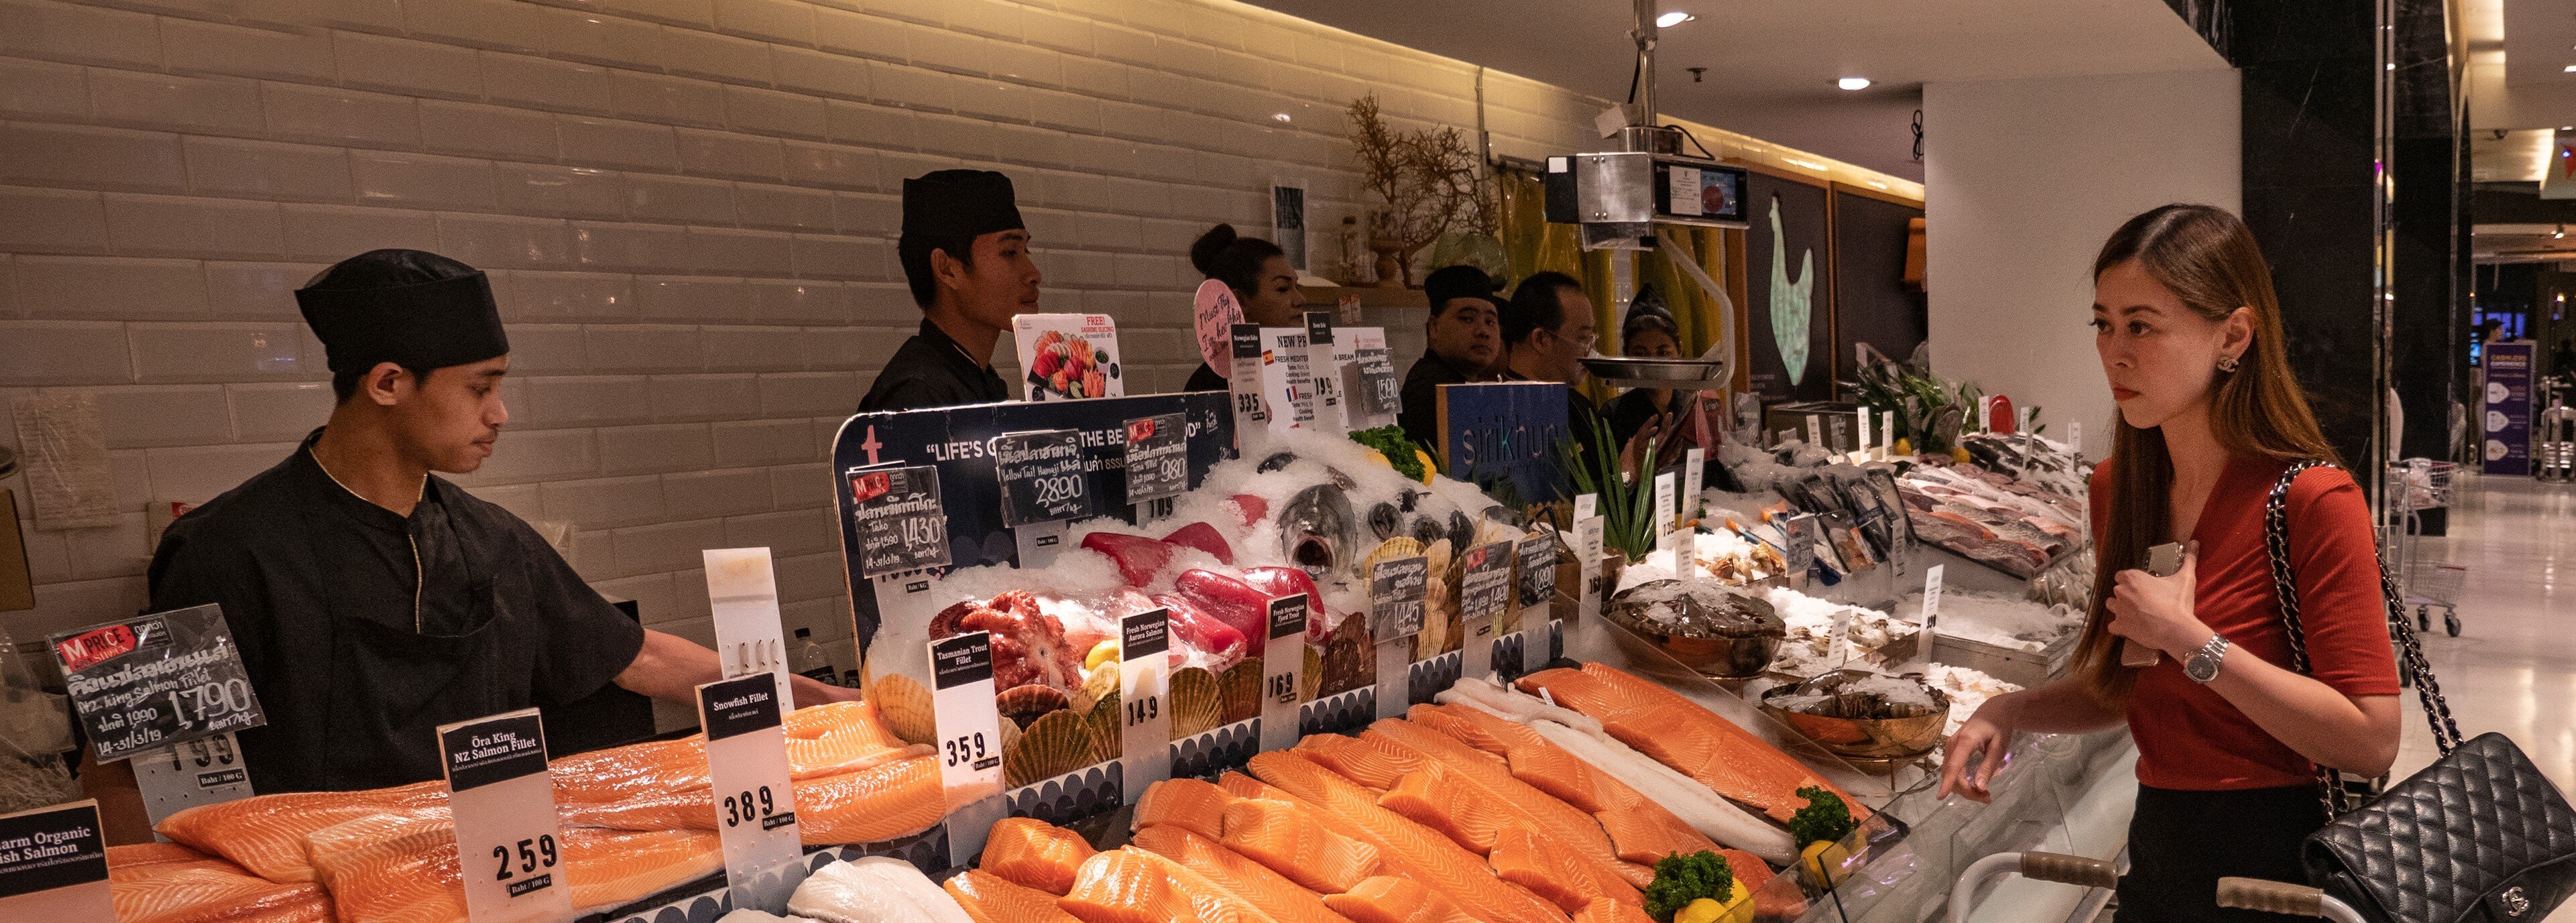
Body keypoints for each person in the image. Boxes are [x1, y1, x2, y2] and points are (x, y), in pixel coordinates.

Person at [147, 249, 859, 793]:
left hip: (494, 880)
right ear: (388, 383)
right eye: (479, 388)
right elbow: (137, 764)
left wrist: (816, 700)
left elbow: (638, 656)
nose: (500, 413)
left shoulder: (492, 539)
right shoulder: (216, 550)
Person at [1937, 205, 2399, 921]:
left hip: (2285, 868)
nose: (2113, 352)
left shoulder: (2312, 499)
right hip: (2161, 850)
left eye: (2141, 326)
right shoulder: (2119, 488)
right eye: (2102, 323)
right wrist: (2012, 707)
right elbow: (2126, 690)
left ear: (2232, 335)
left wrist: (2192, 642)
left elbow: (2370, 740)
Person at [859, 169, 1043, 413]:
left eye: (1025, 251)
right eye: (1010, 252)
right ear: (947, 269)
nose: (1034, 275)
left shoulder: (972, 376)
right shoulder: (916, 397)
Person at [1182, 224, 1302, 392]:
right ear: (1240, 301)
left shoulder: (1300, 368)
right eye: (1283, 288)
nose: (1300, 299)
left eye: (1298, 287)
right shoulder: (1208, 388)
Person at [1397, 265, 1504, 449]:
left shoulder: (1454, 382)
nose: (1483, 332)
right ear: (1434, 327)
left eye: (1490, 321)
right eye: (1467, 319)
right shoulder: (1432, 388)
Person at [1499, 271, 1605, 442]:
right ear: (1541, 340)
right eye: (1584, 338)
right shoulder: (1499, 415)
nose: (1592, 350)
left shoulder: (1580, 406)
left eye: (1593, 337)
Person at [1605, 307, 1685, 446]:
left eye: (1663, 353)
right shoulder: (1613, 415)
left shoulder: (1692, 407)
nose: (1653, 363)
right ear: (1628, 356)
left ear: (1679, 351)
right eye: (1641, 354)